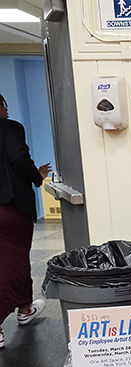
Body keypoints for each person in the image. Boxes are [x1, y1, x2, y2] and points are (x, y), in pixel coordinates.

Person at [0, 93, 52, 348]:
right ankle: (22, 309)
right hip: (9, 208)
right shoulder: (9, 128)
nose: (7, 109)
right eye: (3, 104)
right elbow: (18, 156)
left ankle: (24, 307)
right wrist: (36, 177)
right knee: (14, 260)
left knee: (9, 260)